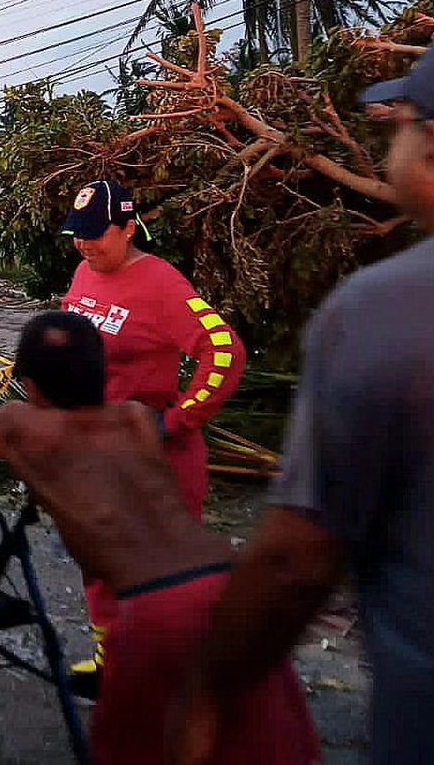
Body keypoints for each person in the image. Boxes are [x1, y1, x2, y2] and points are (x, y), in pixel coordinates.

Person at [0, 311, 318, 765]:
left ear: (31, 385)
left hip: (159, 608)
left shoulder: (16, 424)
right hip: (232, 585)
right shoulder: (137, 418)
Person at [172, 51, 434, 765]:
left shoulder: (385, 309)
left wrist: (209, 690)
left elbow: (295, 558)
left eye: (401, 123)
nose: (388, 140)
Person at [59, 179, 246, 697]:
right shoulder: (83, 271)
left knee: (165, 584)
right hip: (97, 455)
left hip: (157, 464)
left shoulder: (161, 285)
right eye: (78, 234)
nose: (85, 244)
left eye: (97, 234)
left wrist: (176, 421)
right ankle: (110, 662)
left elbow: (226, 354)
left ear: (127, 227)